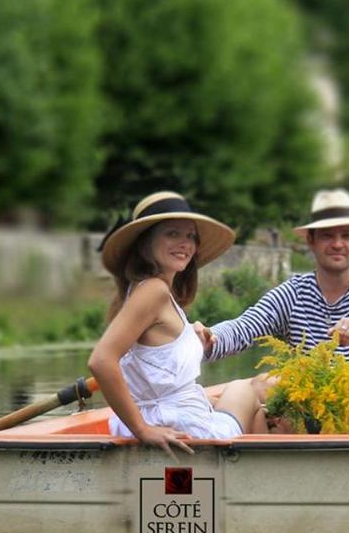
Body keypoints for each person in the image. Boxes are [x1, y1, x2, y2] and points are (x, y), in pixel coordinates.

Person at [197, 189, 349, 429]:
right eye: (327, 236)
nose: (338, 244)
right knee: (259, 385)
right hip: (313, 405)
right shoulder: (293, 292)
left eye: (346, 236)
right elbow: (245, 326)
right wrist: (208, 338)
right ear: (311, 241)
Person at [88, 191, 267, 457]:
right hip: (173, 424)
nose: (185, 243)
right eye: (172, 233)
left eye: (190, 236)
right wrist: (142, 430)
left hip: (172, 416)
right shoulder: (154, 291)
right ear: (145, 242)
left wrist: (191, 339)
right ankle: (255, 486)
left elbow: (155, 369)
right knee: (250, 388)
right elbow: (101, 361)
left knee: (243, 403)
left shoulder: (147, 293)